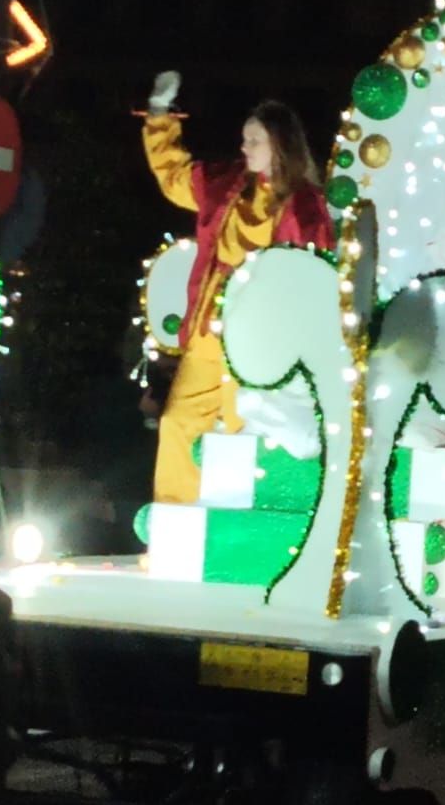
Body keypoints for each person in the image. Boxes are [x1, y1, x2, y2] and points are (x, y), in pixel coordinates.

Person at [142, 73, 334, 503]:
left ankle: (231, 535)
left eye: (254, 140)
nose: (244, 148)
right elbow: (174, 174)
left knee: (241, 437)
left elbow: (310, 280)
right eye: (245, 139)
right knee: (177, 422)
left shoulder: (303, 204)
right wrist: (159, 114)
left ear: (279, 145)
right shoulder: (224, 184)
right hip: (209, 335)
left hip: (259, 347)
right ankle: (176, 522)